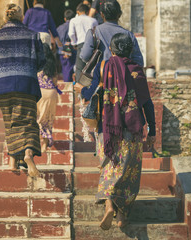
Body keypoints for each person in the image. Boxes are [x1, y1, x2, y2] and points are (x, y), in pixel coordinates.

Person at [75, 33, 156, 230]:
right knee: (129, 170)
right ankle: (122, 216)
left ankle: (109, 204)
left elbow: (89, 92)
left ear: (111, 50)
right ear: (130, 51)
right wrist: (152, 129)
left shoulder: (104, 67)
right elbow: (146, 102)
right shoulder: (137, 70)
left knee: (109, 164)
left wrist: (82, 90)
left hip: (107, 127)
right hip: (132, 127)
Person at [0, 3, 45, 177]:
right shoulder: (33, 35)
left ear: (5, 17)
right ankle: (27, 154)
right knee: (27, 120)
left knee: (10, 122)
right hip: (26, 83)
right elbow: (41, 61)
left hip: (2, 84)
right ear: (22, 17)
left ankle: (12, 162)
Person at [80, 0, 144, 66]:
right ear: (120, 14)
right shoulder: (128, 34)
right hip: (123, 74)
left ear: (102, 14)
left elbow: (85, 56)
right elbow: (138, 61)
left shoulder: (93, 32)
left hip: (101, 74)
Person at [37, 43, 61, 152]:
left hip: (39, 92)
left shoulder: (36, 63)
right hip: (51, 93)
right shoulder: (52, 64)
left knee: (38, 118)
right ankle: (44, 145)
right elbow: (55, 81)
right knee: (48, 119)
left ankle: (36, 143)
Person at [68, 3, 98, 80]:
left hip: (81, 45)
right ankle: (91, 87)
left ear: (78, 12)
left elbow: (71, 34)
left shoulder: (74, 20)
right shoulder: (93, 20)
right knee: (91, 67)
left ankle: (79, 88)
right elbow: (97, 34)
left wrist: (74, 43)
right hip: (92, 45)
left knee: (79, 68)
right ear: (88, 12)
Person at [57, 9, 76, 82]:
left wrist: (61, 48)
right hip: (70, 51)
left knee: (65, 70)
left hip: (61, 52)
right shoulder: (73, 26)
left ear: (65, 18)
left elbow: (56, 40)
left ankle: (67, 86)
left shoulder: (59, 28)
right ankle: (69, 87)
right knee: (70, 70)